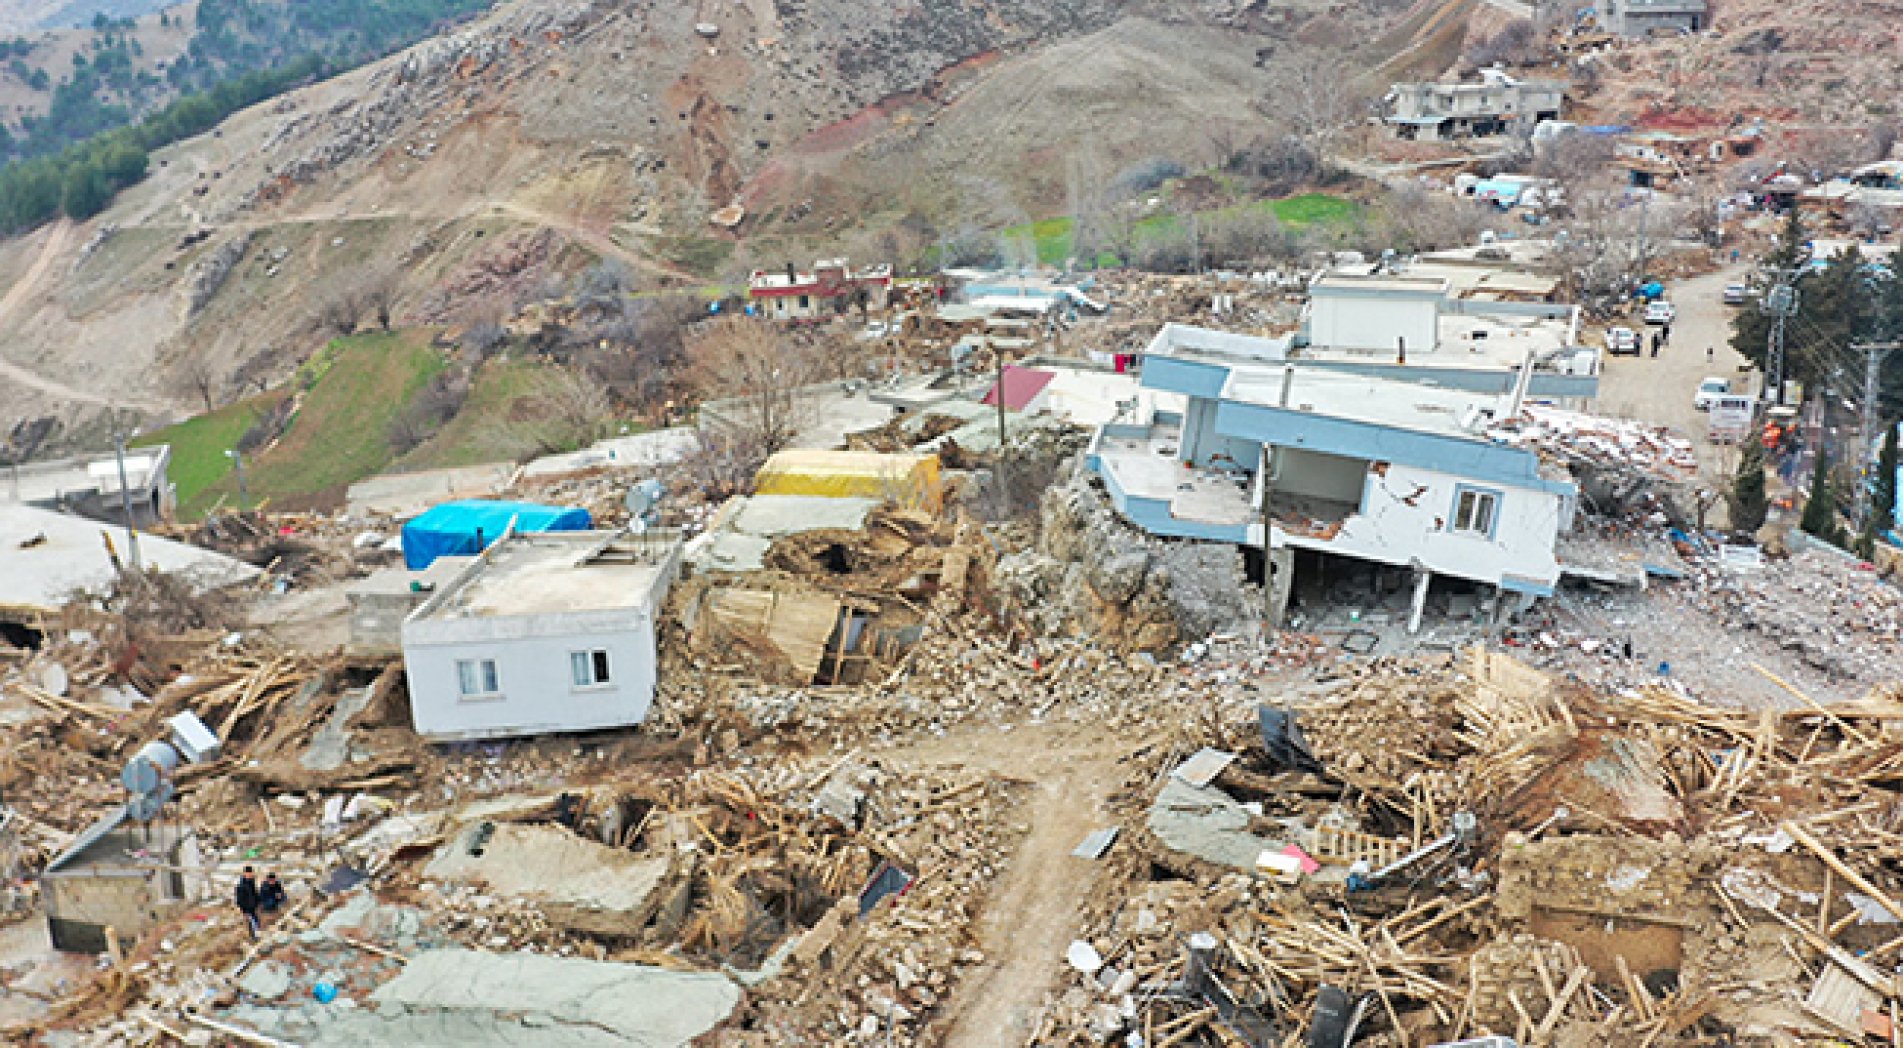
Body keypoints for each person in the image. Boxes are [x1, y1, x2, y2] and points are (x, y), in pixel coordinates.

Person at [235, 867, 261, 937]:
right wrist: (243, 910)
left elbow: (255, 893)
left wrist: (258, 902)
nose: (249, 875)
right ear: (244, 874)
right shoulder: (241, 885)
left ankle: (257, 935)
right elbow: (239, 900)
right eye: (248, 873)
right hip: (247, 908)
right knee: (252, 923)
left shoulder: (251, 882)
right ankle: (255, 937)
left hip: (254, 906)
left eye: (250, 873)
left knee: (256, 921)